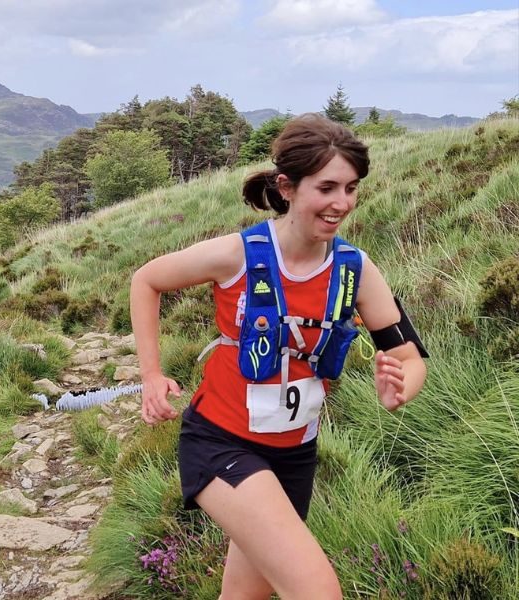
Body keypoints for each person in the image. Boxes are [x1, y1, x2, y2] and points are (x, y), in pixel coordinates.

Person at [129, 113, 427, 599]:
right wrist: (151, 373)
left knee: (246, 596)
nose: (341, 204)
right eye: (327, 187)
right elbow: (146, 279)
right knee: (316, 591)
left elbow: (408, 355)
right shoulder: (238, 255)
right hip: (221, 442)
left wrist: (401, 387)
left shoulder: (355, 269)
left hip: (295, 453)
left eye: (351, 188)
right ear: (287, 187)